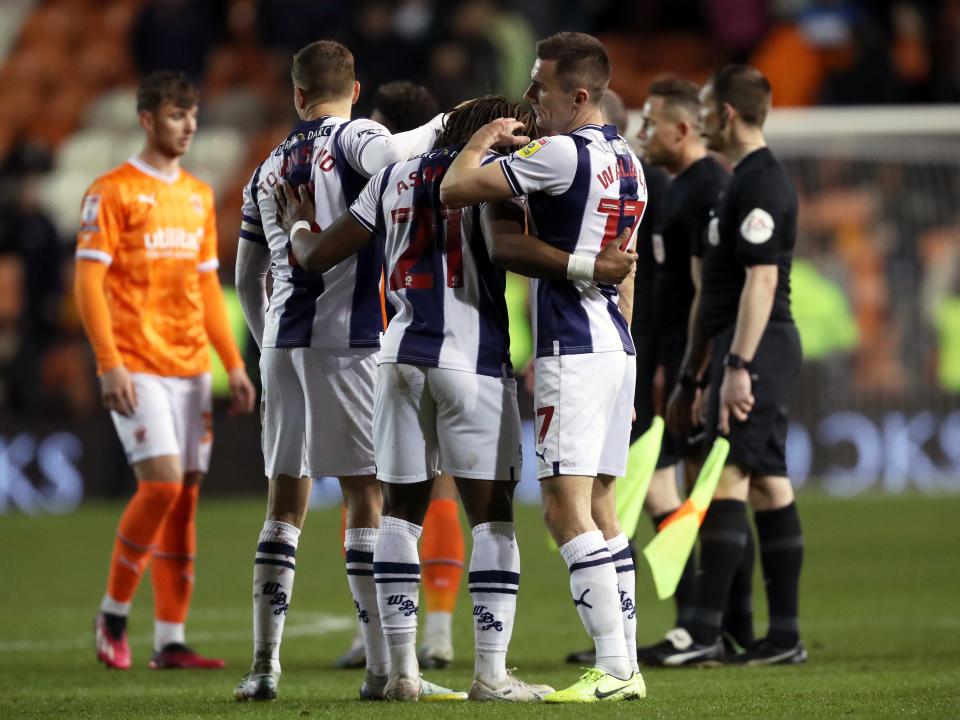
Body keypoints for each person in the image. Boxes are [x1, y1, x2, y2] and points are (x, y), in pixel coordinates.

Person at [277, 95, 628, 702]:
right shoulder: (490, 185)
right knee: (491, 522)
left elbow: (313, 256)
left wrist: (298, 223)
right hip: (471, 364)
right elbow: (506, 250)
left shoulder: (388, 179)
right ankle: (490, 674)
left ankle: (401, 673)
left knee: (399, 515)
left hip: (397, 361)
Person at [231, 40, 452, 702]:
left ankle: (264, 667)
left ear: (296, 94)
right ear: (354, 91)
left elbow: (245, 276)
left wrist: (264, 336)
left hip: (281, 343)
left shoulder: (266, 167)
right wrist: (449, 123)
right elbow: (400, 153)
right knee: (367, 495)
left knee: (284, 503)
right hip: (347, 340)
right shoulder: (358, 136)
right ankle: (385, 669)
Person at [440, 32, 648, 702]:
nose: (531, 98)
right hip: (615, 347)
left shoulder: (559, 154)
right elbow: (627, 269)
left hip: (572, 347)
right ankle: (625, 663)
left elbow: (456, 188)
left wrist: (483, 140)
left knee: (563, 511)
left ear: (578, 94)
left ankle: (614, 668)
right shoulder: (628, 159)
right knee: (602, 506)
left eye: (541, 86)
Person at [77, 71, 256, 671]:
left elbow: (206, 287)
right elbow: (88, 283)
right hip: (137, 365)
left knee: (182, 501)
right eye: (177, 115)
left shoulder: (199, 195)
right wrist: (109, 364)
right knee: (159, 485)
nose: (189, 126)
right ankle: (113, 612)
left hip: (189, 369)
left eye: (194, 115)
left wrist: (232, 362)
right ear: (149, 119)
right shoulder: (113, 191)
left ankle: (171, 639)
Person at [660, 64, 807, 666]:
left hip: (758, 345)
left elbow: (762, 279)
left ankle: (703, 632)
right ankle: (785, 637)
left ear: (723, 114)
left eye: (703, 106)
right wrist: (699, 371)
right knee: (769, 484)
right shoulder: (738, 181)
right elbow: (715, 291)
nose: (696, 117)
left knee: (725, 476)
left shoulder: (763, 183)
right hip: (738, 346)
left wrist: (740, 364)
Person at [332, 80, 465, 673]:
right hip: (464, 347)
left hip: (384, 344)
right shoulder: (463, 183)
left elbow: (328, 254)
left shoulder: (382, 183)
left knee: (370, 492)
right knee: (442, 493)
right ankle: (438, 632)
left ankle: (380, 638)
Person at [635, 78, 760, 663]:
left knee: (710, 493)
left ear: (681, 128)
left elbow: (707, 293)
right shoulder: (678, 188)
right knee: (697, 493)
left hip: (697, 362)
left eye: (650, 123)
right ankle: (715, 625)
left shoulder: (711, 186)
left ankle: (721, 625)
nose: (642, 134)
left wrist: (696, 368)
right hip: (672, 357)